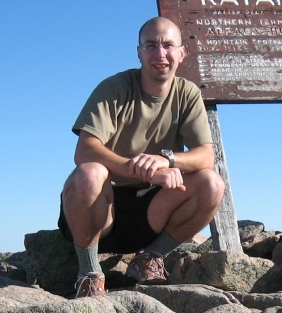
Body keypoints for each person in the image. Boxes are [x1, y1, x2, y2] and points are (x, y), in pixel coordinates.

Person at [58, 17, 225, 297]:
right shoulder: (114, 88)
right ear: (139, 52)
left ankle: (149, 258)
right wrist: (136, 168)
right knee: (89, 173)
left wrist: (167, 161)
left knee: (212, 183)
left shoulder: (187, 93)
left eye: (168, 45)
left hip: (150, 213)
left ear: (181, 53)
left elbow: (206, 157)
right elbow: (84, 150)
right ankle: (88, 272)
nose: (160, 54)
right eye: (151, 45)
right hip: (102, 210)